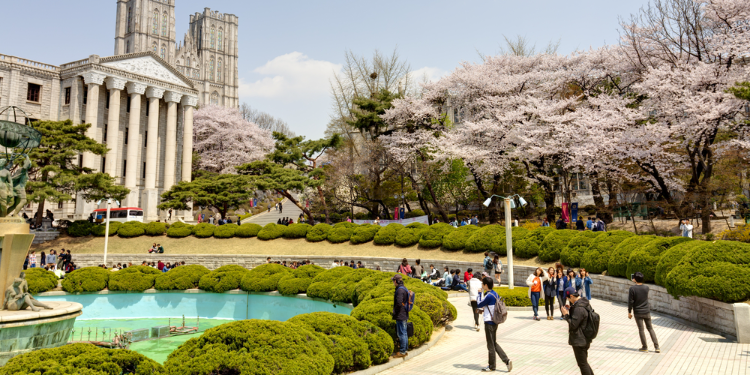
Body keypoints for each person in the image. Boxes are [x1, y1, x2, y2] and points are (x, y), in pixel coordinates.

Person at [476, 277, 513, 372]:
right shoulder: (494, 294)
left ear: (486, 285)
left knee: (490, 345)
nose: (482, 286)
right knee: (494, 343)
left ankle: (492, 366)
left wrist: (479, 294)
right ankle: (507, 361)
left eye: (483, 284)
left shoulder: (488, 296)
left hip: (489, 322)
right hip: (495, 321)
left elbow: (479, 304)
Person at [560, 287, 594, 375]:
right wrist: (571, 309)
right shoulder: (584, 303)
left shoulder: (578, 308)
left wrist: (566, 315)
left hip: (579, 340)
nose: (568, 300)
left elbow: (573, 325)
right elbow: (579, 318)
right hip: (585, 337)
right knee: (584, 363)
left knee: (582, 364)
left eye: (568, 298)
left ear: (571, 296)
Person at [629, 272, 660, 353]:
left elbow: (630, 302)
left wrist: (629, 312)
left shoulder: (632, 289)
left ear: (635, 279)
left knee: (641, 330)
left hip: (638, 312)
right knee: (650, 328)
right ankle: (657, 347)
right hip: (646, 311)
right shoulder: (646, 288)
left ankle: (645, 347)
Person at [391, 274, 409, 358]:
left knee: (401, 333)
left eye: (393, 281)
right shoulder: (404, 288)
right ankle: (405, 350)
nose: (393, 283)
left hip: (400, 315)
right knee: (404, 332)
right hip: (404, 314)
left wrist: (395, 312)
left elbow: (399, 303)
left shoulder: (400, 290)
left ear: (396, 281)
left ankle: (402, 351)